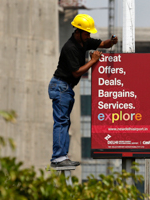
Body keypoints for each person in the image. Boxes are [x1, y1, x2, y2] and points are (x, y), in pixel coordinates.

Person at [48, 14, 118, 167]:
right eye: (87, 33)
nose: (89, 36)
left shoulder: (83, 41)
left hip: (65, 87)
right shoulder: (70, 47)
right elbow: (76, 72)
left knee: (65, 122)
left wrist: (111, 42)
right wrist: (93, 61)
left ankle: (62, 156)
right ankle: (58, 158)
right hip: (61, 86)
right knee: (61, 122)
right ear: (78, 32)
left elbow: (103, 44)